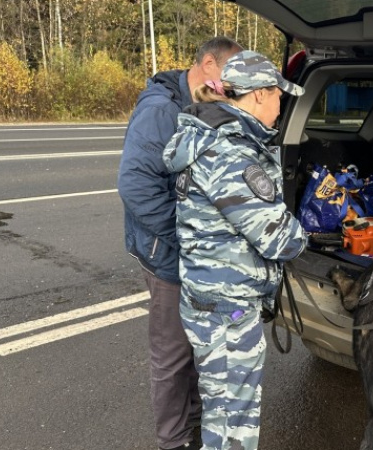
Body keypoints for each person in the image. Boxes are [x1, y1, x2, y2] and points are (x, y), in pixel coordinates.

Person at [162, 50, 307, 450]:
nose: (282, 104)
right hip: (228, 307)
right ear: (259, 94)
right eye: (279, 95)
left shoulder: (210, 136)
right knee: (234, 420)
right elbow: (278, 237)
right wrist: (310, 230)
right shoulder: (231, 152)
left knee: (221, 408)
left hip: (211, 296)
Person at [117, 36, 242, 450]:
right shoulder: (161, 110)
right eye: (231, 74)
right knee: (172, 357)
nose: (235, 84)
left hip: (198, 255)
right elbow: (136, 188)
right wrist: (187, 239)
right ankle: (172, 442)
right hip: (170, 256)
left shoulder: (203, 102)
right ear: (209, 63)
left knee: (196, 348)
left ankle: (193, 424)